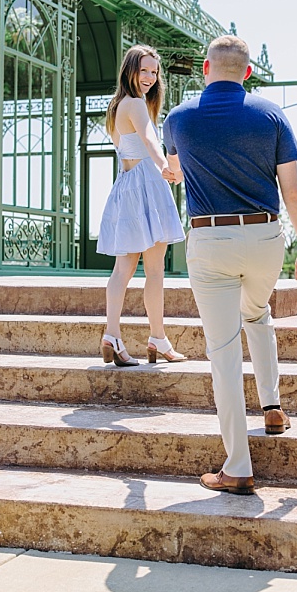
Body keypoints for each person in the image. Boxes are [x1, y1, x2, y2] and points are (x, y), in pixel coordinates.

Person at [163, 34, 297, 494]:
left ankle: (237, 466)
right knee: (258, 313)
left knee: (224, 352)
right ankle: (272, 407)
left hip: (211, 238)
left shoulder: (179, 118)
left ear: (205, 69)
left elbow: (174, 168)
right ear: (247, 73)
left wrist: (180, 170)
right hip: (266, 238)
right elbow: (293, 190)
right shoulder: (270, 114)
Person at [98, 44, 188, 366]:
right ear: (130, 70)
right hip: (146, 185)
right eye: (144, 70)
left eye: (154, 72)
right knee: (154, 269)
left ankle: (113, 334)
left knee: (124, 268)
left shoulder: (117, 105)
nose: (149, 77)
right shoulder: (135, 104)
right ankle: (157, 338)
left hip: (127, 186)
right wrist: (166, 164)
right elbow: (150, 138)